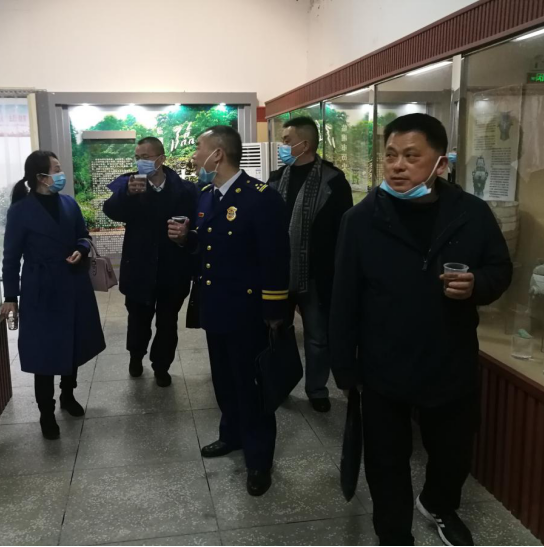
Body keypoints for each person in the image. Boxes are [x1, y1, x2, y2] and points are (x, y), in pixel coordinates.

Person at [330, 114, 513, 547]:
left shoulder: (471, 214)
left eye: (412, 156)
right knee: (386, 461)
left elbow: (500, 269)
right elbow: (344, 297)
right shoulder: (361, 220)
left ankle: (438, 504)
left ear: (441, 164)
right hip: (384, 364)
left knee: (453, 453)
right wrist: (344, 367)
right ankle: (393, 534)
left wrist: (477, 284)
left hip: (450, 358)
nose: (398, 166)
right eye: (391, 156)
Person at [168, 126, 290, 497]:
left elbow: (276, 258)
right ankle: (231, 435)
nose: (194, 156)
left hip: (248, 311)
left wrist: (274, 309)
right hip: (215, 306)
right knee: (224, 380)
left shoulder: (261, 198)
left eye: (198, 148)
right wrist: (187, 240)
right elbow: (207, 250)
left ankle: (259, 459)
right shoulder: (207, 196)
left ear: (217, 154)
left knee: (251, 386)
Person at [2, 150, 106, 440]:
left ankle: (68, 395)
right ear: (41, 177)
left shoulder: (69, 203)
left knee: (72, 343)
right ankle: (46, 413)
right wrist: (10, 297)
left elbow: (83, 235)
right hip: (41, 289)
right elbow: (11, 257)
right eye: (56, 169)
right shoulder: (20, 211)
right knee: (44, 353)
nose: (61, 174)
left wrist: (81, 249)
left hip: (73, 283)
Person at [268, 117, 353, 413]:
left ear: (305, 144)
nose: (282, 146)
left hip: (318, 275)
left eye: (287, 141)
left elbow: (343, 233)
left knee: (318, 338)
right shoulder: (276, 179)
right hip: (279, 273)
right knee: (278, 333)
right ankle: (281, 384)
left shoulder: (334, 182)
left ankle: (317, 389)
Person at [103, 137, 198, 387]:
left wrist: (186, 237)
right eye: (137, 157)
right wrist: (127, 194)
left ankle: (161, 366)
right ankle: (136, 356)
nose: (140, 162)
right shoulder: (130, 184)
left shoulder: (185, 190)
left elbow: (197, 225)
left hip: (173, 270)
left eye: (145, 157)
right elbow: (111, 211)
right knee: (138, 321)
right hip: (139, 269)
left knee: (167, 323)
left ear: (161, 159)